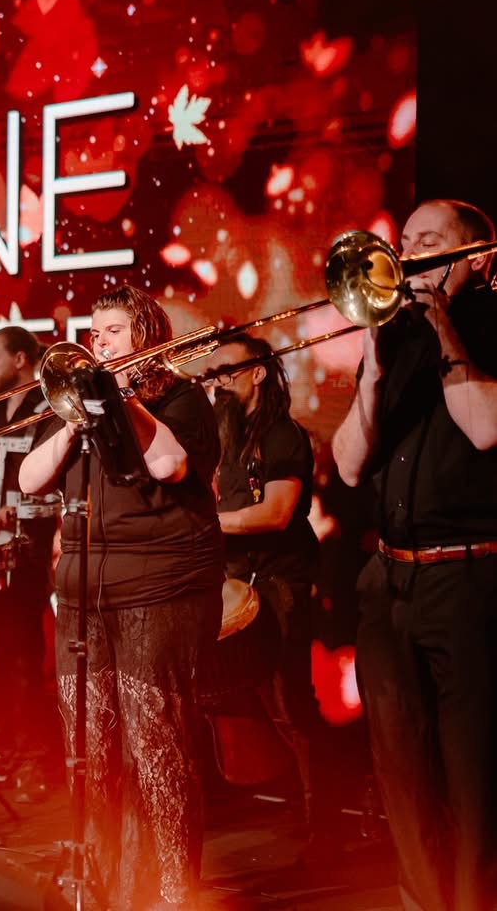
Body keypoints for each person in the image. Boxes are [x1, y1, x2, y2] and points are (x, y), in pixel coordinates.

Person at [18, 284, 223, 909]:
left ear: (145, 338)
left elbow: (169, 467)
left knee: (157, 744)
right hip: (86, 596)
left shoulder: (181, 400)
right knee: (92, 748)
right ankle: (104, 884)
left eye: (110, 331)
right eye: (93, 331)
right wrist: (72, 418)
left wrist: (124, 397)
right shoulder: (81, 415)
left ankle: (173, 889)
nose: (96, 342)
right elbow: (29, 480)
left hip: (162, 588)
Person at [331, 199, 497, 911]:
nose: (406, 256)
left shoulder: (486, 329)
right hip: (389, 582)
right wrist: (370, 364)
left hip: (468, 578)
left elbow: (486, 430)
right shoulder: (392, 342)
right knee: (402, 777)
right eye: (404, 243)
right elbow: (345, 465)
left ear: (479, 258)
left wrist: (439, 320)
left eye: (429, 244)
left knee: (472, 779)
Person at [204, 336, 325, 838]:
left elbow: (275, 513)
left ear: (258, 374)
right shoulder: (223, 440)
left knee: (288, 707)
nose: (218, 382)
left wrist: (207, 523)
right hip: (234, 584)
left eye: (227, 371)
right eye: (212, 375)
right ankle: (236, 804)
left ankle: (320, 825)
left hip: (279, 585)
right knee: (216, 697)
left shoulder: (283, 435)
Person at [0, 325, 60, 795]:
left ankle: (37, 761)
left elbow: (58, 487)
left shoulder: (49, 411)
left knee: (25, 660)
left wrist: (10, 512)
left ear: (22, 359)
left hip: (26, 553)